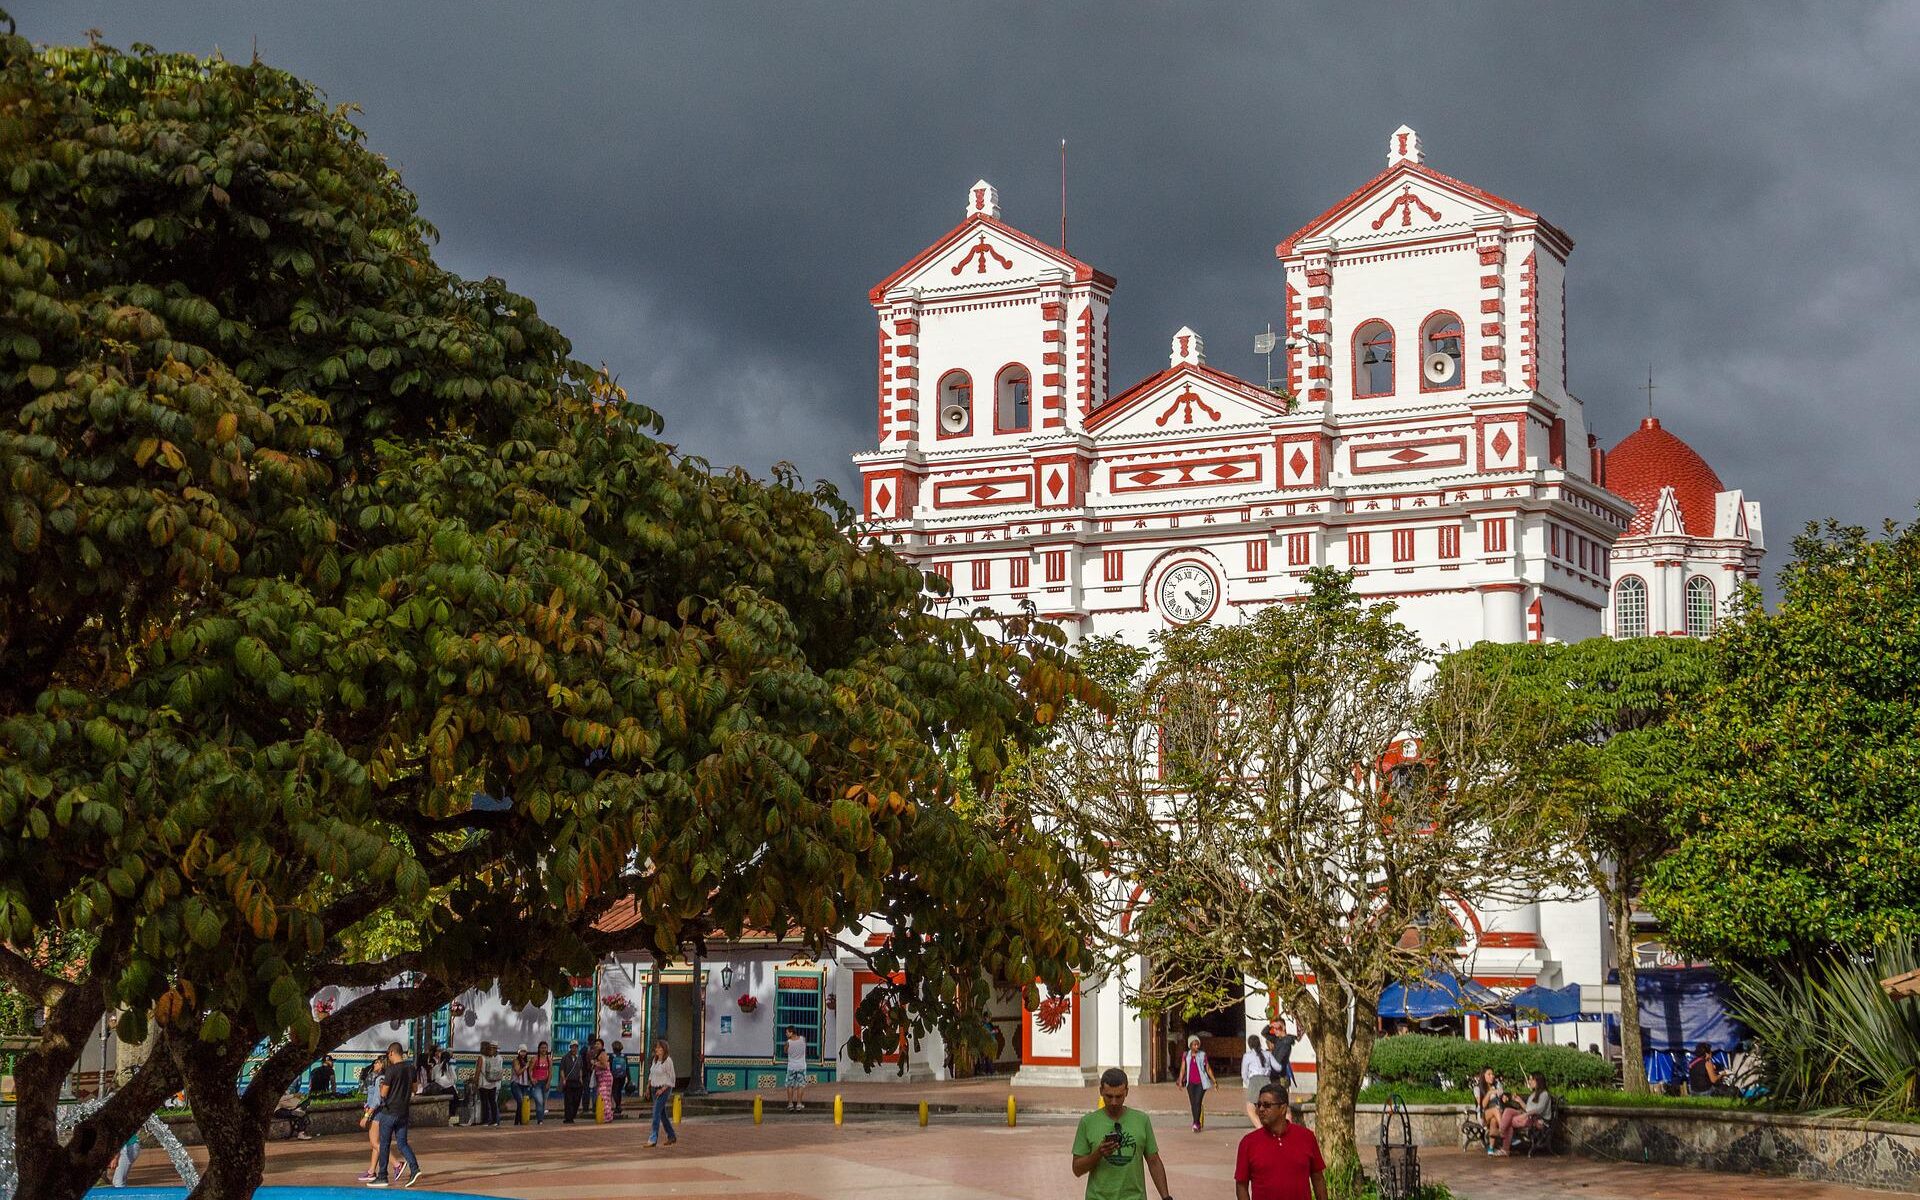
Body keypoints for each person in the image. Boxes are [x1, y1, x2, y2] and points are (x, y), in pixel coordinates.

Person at [1071, 1067, 1172, 1200]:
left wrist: (1166, 1197)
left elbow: (1154, 1161)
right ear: (1101, 1091)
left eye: (1119, 1097)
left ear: (1127, 1092)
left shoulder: (1141, 1120)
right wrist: (1098, 1153)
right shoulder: (1087, 1122)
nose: (1114, 1102)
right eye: (1109, 1096)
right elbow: (1077, 1169)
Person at [1235, 1083, 1326, 1200]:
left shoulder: (1306, 1137)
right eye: (1259, 1105)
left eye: (1267, 1105)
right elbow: (1241, 1185)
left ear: (1283, 1109)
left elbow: (1318, 1178)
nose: (1261, 1109)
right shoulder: (1248, 1143)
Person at [368, 1040, 423, 1188]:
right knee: (402, 1143)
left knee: (384, 1144)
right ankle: (414, 1168)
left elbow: (384, 1093)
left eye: (388, 1054)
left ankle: (382, 1176)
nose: (388, 1057)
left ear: (392, 1052)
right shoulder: (411, 1068)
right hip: (404, 1111)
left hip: (390, 1111)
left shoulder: (391, 1070)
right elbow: (415, 1089)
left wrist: (382, 1089)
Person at [1491, 1071, 1551, 1156]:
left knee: (1509, 1122)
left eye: (1531, 1079)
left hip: (1539, 1121)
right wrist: (1519, 1101)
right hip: (1529, 1117)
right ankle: (1501, 1133)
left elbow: (1539, 1109)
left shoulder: (1544, 1094)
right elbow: (1528, 1108)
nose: (1529, 1081)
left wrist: (1526, 1114)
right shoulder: (1533, 1094)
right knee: (1508, 1110)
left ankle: (1503, 1140)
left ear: (1538, 1081)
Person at [356, 1059, 391, 1184]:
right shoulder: (377, 1078)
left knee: (375, 1143)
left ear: (382, 1065)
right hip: (376, 1111)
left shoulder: (380, 1079)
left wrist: (366, 1115)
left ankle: (396, 1163)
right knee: (375, 1143)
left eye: (377, 1062)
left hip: (377, 1112)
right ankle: (371, 1171)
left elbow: (377, 1100)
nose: (374, 1065)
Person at [1176, 1034, 1214, 1132]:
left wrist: (1214, 1080)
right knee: (1193, 1103)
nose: (1196, 1047)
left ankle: (1196, 1123)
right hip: (1190, 1083)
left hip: (1201, 1083)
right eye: (1194, 1045)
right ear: (1190, 1046)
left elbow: (1208, 1068)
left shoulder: (1202, 1055)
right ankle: (1196, 1121)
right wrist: (1180, 1080)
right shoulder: (1186, 1055)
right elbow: (1183, 1068)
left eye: (1197, 1045)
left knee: (1197, 1102)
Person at [1241, 1035, 1279, 1128]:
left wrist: (1248, 1084)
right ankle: (1270, 1124)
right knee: (1267, 1105)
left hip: (1254, 1080)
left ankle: (1260, 1128)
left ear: (1249, 1045)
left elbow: (1244, 1073)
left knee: (1250, 1108)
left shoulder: (1247, 1056)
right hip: (1266, 1080)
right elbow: (1278, 1067)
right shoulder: (1267, 1054)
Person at [646, 1039, 678, 1147]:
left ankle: (653, 1138)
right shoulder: (655, 1061)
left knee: (656, 1113)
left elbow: (671, 1078)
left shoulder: (668, 1061)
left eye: (660, 1048)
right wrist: (648, 1087)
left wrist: (663, 1089)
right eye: (657, 1047)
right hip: (654, 1088)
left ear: (664, 1049)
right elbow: (651, 1074)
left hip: (664, 1089)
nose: (657, 1050)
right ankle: (671, 1135)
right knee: (662, 1114)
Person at [1471, 1066, 1506, 1139]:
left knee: (1494, 1120)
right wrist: (1489, 1093)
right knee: (1495, 1110)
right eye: (1489, 1074)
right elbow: (1482, 1105)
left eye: (1492, 1074)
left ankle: (1491, 1148)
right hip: (1483, 1115)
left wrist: (1504, 1098)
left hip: (1497, 1113)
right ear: (1483, 1076)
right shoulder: (1477, 1089)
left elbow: (1502, 1097)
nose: (1492, 1076)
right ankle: (1505, 1132)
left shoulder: (1496, 1086)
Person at [474, 1041, 503, 1127]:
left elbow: (478, 1071)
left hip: (483, 1084)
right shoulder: (494, 1057)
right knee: (493, 1102)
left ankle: (486, 1120)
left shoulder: (481, 1058)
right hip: (493, 1083)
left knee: (485, 1103)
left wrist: (475, 1081)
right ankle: (494, 1121)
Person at [784, 1026, 810, 1111]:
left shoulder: (788, 1042)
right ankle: (799, 1104)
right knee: (801, 1085)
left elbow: (785, 1051)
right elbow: (805, 1048)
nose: (786, 1034)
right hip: (801, 1066)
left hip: (791, 1066)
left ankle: (790, 1104)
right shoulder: (803, 1039)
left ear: (791, 1033)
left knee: (790, 1085)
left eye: (787, 1032)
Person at [559, 1039, 585, 1123]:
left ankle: (573, 1114)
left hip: (577, 1081)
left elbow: (581, 1069)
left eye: (576, 1047)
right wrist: (563, 1079)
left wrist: (581, 1078)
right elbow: (562, 1069)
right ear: (570, 1047)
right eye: (573, 1047)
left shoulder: (579, 1057)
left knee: (577, 1099)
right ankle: (568, 1118)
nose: (574, 1049)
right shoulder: (565, 1057)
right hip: (568, 1081)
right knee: (568, 1100)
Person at [530, 1041, 553, 1123]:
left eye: (545, 1048)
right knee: (539, 1101)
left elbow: (550, 1072)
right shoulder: (535, 1058)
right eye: (542, 1048)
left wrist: (548, 1082)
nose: (544, 1049)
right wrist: (532, 1079)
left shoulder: (549, 1059)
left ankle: (540, 1119)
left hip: (545, 1082)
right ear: (539, 1049)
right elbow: (530, 1070)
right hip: (537, 1083)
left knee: (543, 1102)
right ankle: (540, 1120)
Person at [593, 1043, 614, 1122]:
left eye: (598, 1044)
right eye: (596, 1044)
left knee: (604, 1097)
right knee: (603, 1097)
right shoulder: (597, 1054)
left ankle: (607, 1116)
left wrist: (596, 1064)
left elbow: (605, 1066)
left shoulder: (603, 1054)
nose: (596, 1045)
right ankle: (605, 1115)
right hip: (601, 1079)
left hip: (605, 1079)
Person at [609, 1041, 630, 1117]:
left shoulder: (612, 1056)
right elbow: (627, 1067)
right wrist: (629, 1078)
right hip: (622, 1076)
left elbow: (610, 1067)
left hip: (614, 1076)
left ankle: (617, 1106)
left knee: (614, 1091)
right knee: (619, 1091)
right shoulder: (624, 1056)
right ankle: (618, 1105)